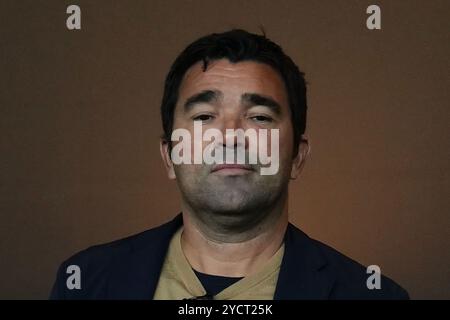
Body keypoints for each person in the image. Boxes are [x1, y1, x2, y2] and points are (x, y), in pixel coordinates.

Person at [50, 29, 409, 299]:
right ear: (169, 156)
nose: (231, 135)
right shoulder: (86, 281)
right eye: (205, 116)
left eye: (260, 117)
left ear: (297, 157)